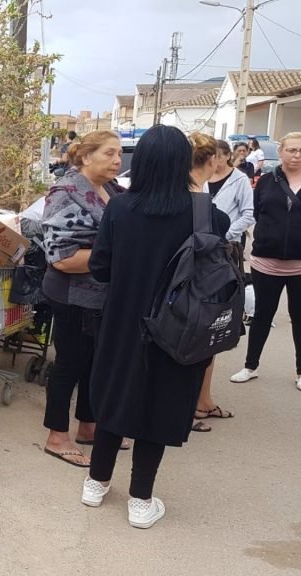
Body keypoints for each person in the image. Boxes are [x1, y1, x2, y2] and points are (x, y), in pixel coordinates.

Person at [81, 125, 230, 529]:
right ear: (184, 162)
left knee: (114, 391)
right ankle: (141, 501)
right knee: (159, 403)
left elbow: (100, 267)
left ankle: (96, 483)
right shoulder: (205, 213)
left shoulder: (120, 208)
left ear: (141, 161)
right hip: (179, 326)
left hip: (122, 320)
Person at [40, 130, 125, 468]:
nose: (117, 160)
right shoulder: (66, 193)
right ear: (86, 156)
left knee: (94, 363)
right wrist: (120, 257)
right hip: (71, 295)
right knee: (69, 364)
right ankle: (56, 436)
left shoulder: (114, 191)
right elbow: (61, 257)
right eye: (109, 153)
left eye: (119, 153)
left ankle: (88, 426)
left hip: (101, 297)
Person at [230, 132, 301, 391]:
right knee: (262, 315)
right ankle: (250, 365)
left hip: (300, 265)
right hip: (266, 261)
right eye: (291, 149)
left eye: (300, 150)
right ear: (280, 152)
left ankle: (300, 370)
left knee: (299, 317)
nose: (296, 155)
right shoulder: (267, 181)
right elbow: (256, 212)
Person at [187, 134, 244, 431]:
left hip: (188, 289)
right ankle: (189, 409)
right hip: (199, 289)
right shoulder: (206, 209)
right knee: (197, 347)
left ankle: (202, 400)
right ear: (212, 160)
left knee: (203, 348)